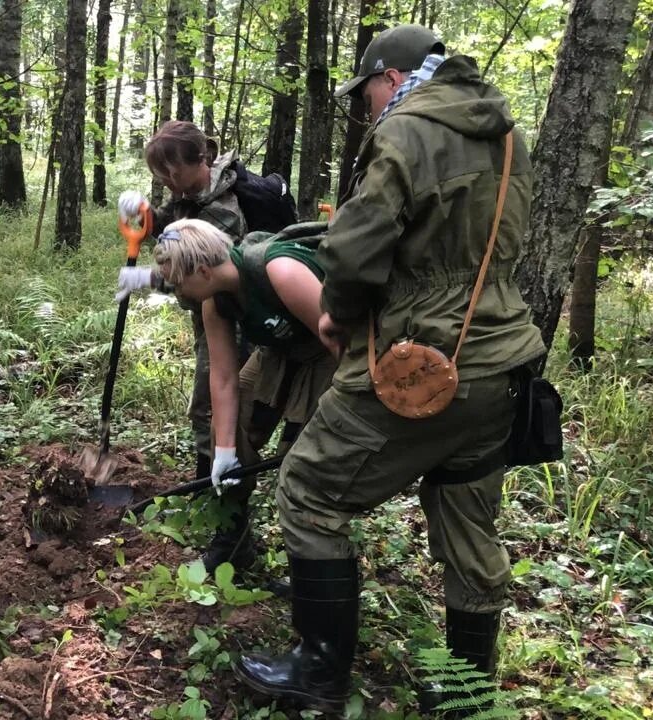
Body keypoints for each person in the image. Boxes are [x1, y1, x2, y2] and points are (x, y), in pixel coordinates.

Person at [231, 25, 546, 714]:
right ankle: (467, 689)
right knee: (467, 519)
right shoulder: (508, 134)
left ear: (391, 76)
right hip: (502, 362)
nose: (368, 106)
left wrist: (337, 318)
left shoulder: (404, 132)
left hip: (416, 361)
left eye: (367, 92)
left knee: (308, 490)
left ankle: (319, 672)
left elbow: (355, 251)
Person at [128, 219, 338, 575]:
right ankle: (233, 545)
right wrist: (225, 453)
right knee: (229, 431)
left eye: (179, 284)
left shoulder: (281, 271)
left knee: (303, 466)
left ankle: (315, 571)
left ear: (204, 271)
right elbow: (224, 379)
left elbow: (345, 344)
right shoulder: (216, 302)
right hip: (279, 352)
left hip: (327, 354)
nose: (178, 294)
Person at [113, 122, 257, 571]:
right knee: (204, 411)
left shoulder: (226, 209)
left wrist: (151, 278)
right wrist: (149, 216)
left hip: (241, 322)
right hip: (210, 316)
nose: (168, 183)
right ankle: (206, 492)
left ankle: (229, 526)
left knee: (221, 413)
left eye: (174, 172)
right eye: (161, 177)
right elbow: (176, 234)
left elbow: (204, 275)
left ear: (202, 160)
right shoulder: (190, 196)